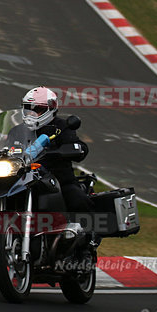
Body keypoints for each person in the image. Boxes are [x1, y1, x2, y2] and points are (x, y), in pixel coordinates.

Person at [21, 86, 95, 218]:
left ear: (50, 109)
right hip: (24, 180)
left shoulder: (61, 127)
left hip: (58, 181)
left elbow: (80, 147)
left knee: (77, 199)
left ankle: (88, 233)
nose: (32, 114)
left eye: (38, 110)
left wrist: (64, 150)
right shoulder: (18, 129)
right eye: (28, 109)